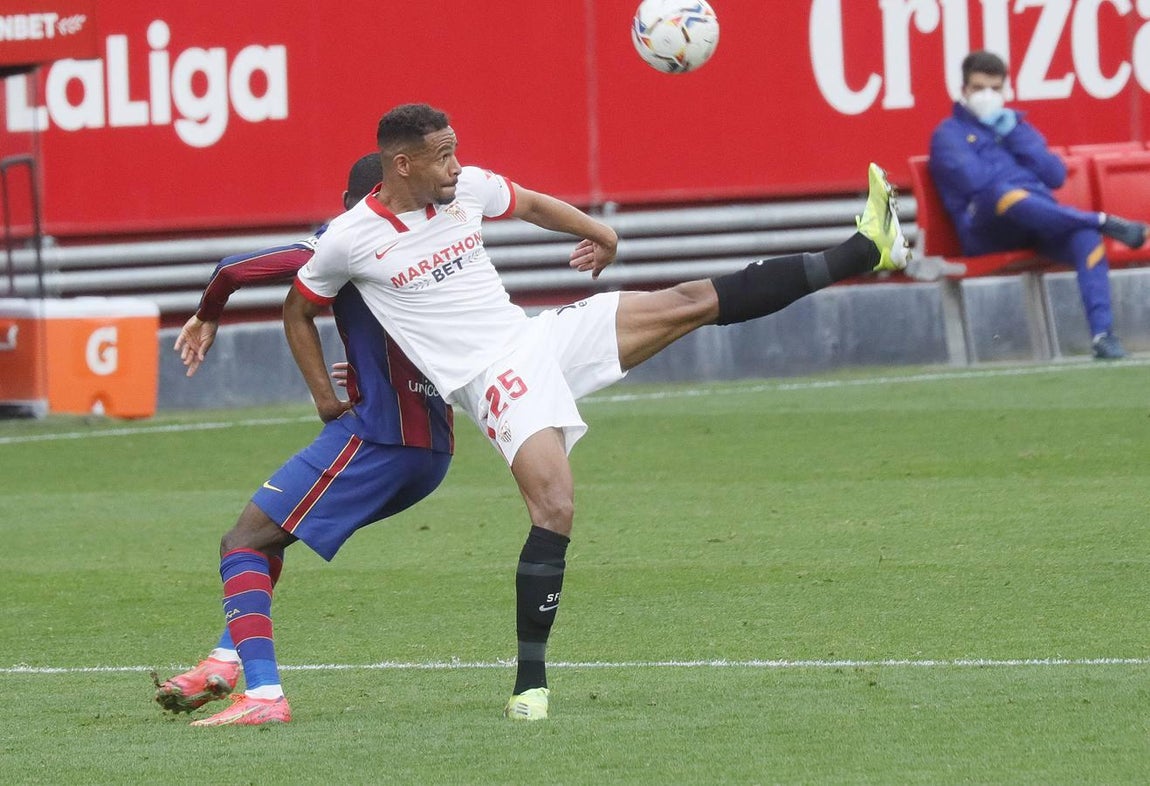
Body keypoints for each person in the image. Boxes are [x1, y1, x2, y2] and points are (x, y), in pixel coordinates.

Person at [287, 103, 910, 722]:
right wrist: (324, 395)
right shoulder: (348, 240)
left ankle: (866, 248)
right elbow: (299, 311)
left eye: (456, 150)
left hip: (538, 339)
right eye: (442, 155)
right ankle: (530, 684)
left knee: (688, 301)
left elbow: (528, 203)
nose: (456, 165)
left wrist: (602, 233)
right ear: (402, 164)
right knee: (555, 506)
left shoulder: (465, 189)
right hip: (493, 378)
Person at [152, 153, 455, 727]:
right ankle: (222, 661)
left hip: (378, 441)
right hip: (430, 449)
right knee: (271, 535)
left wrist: (205, 315)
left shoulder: (349, 236)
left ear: (354, 205)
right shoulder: (436, 245)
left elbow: (233, 269)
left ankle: (264, 694)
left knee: (242, 540)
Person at [929, 49, 1148, 360]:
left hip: (1036, 223)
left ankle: (1103, 335)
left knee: (1086, 240)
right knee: (1004, 193)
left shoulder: (1014, 126)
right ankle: (1100, 220)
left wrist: (1014, 134)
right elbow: (979, 184)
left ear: (1005, 89)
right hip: (987, 228)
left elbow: (1055, 175)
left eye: (995, 88)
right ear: (964, 91)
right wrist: (1017, 177)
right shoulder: (948, 135)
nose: (987, 96)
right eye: (979, 89)